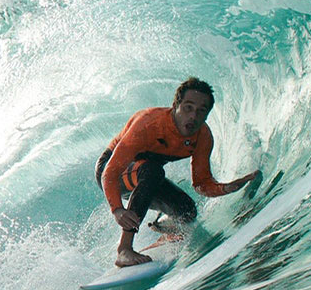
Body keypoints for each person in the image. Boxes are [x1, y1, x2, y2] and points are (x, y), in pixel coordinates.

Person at [96, 77, 258, 267]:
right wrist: (117, 209)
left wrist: (226, 188)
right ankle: (124, 249)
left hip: (147, 175)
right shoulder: (148, 124)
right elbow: (111, 172)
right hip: (113, 172)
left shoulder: (203, 137)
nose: (193, 116)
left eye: (201, 111)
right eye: (188, 107)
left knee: (187, 212)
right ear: (175, 106)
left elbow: (202, 183)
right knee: (153, 171)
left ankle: (166, 228)